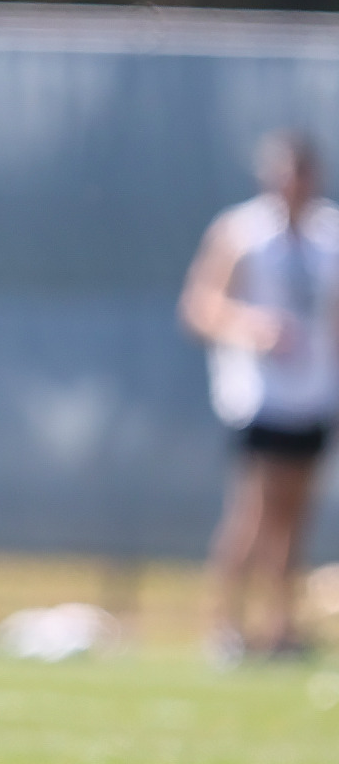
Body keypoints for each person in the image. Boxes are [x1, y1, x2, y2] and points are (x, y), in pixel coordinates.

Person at [181, 129, 339, 664]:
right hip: (260, 394)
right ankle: (226, 625)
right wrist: (253, 328)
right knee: (254, 511)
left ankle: (280, 627)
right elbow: (200, 305)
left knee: (296, 514)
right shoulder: (242, 231)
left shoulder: (329, 235)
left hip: (313, 394)